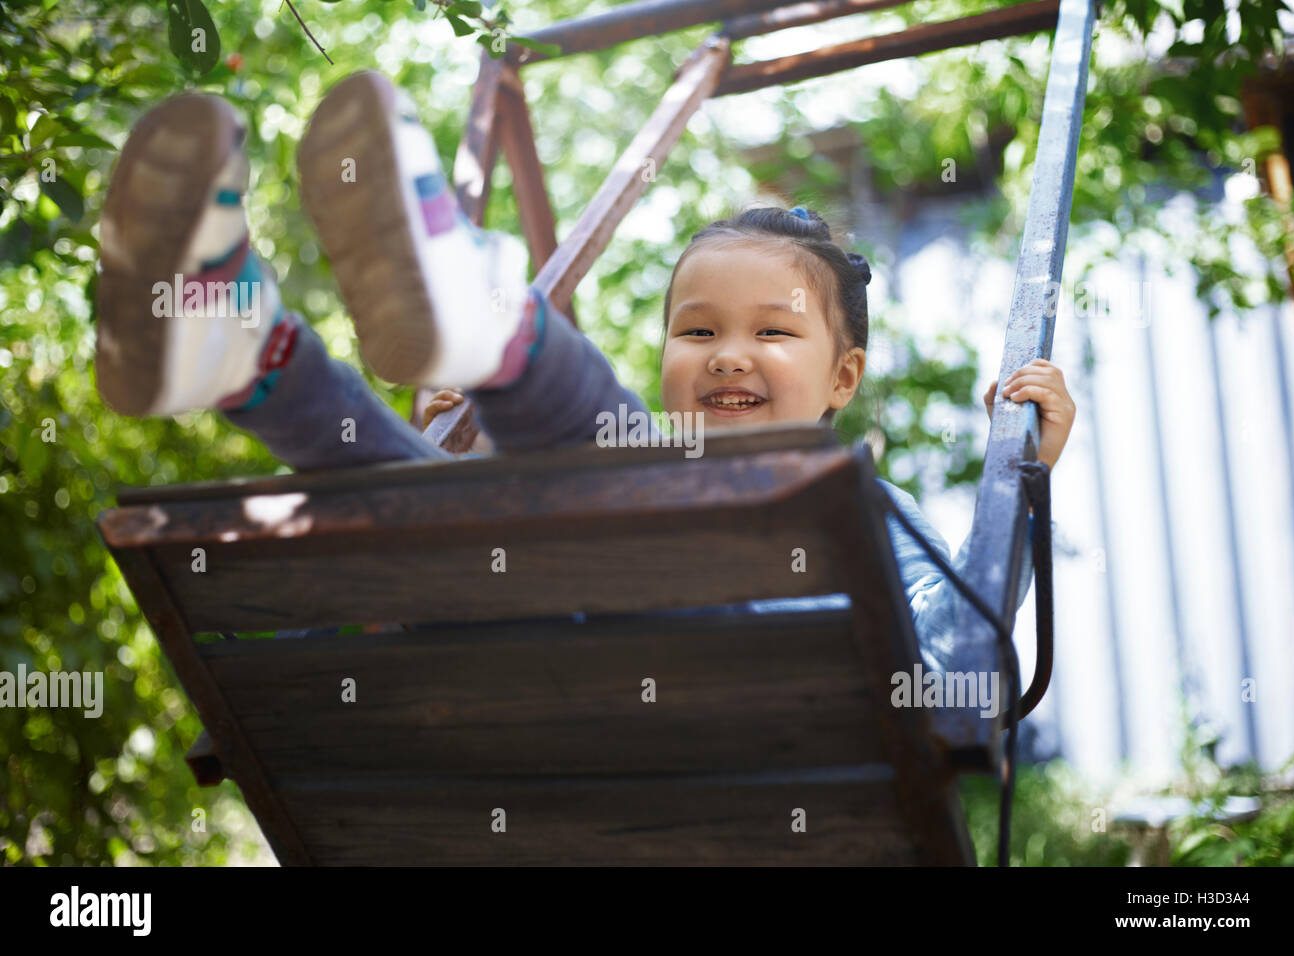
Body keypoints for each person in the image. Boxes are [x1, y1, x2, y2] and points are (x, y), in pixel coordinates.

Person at [94, 71, 1076, 672]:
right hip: (542, 691)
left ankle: (472, 326)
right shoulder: (636, 469)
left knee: (590, 495)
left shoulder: (873, 521)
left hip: (724, 698)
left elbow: (960, 655)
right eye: (696, 330)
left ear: (842, 376)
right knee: (468, 514)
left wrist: (1021, 483)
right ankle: (254, 352)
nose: (728, 352)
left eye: (773, 333)